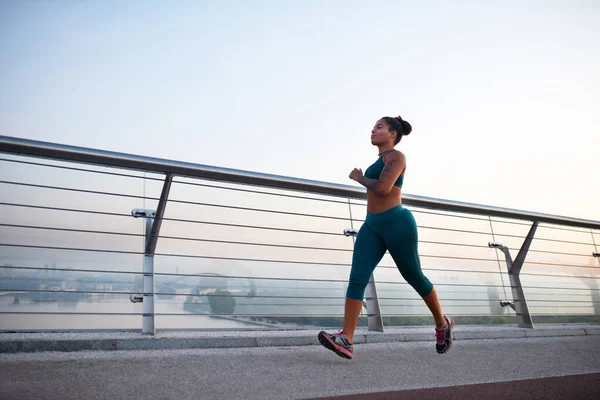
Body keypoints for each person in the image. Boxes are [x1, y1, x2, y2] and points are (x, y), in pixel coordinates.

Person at [318, 115, 453, 359]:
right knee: (357, 277)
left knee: (414, 275)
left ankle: (442, 324)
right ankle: (346, 339)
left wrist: (360, 178)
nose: (373, 130)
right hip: (371, 226)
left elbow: (383, 188)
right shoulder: (379, 159)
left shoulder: (397, 157)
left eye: (379, 127)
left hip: (396, 222)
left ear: (392, 134)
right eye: (373, 127)